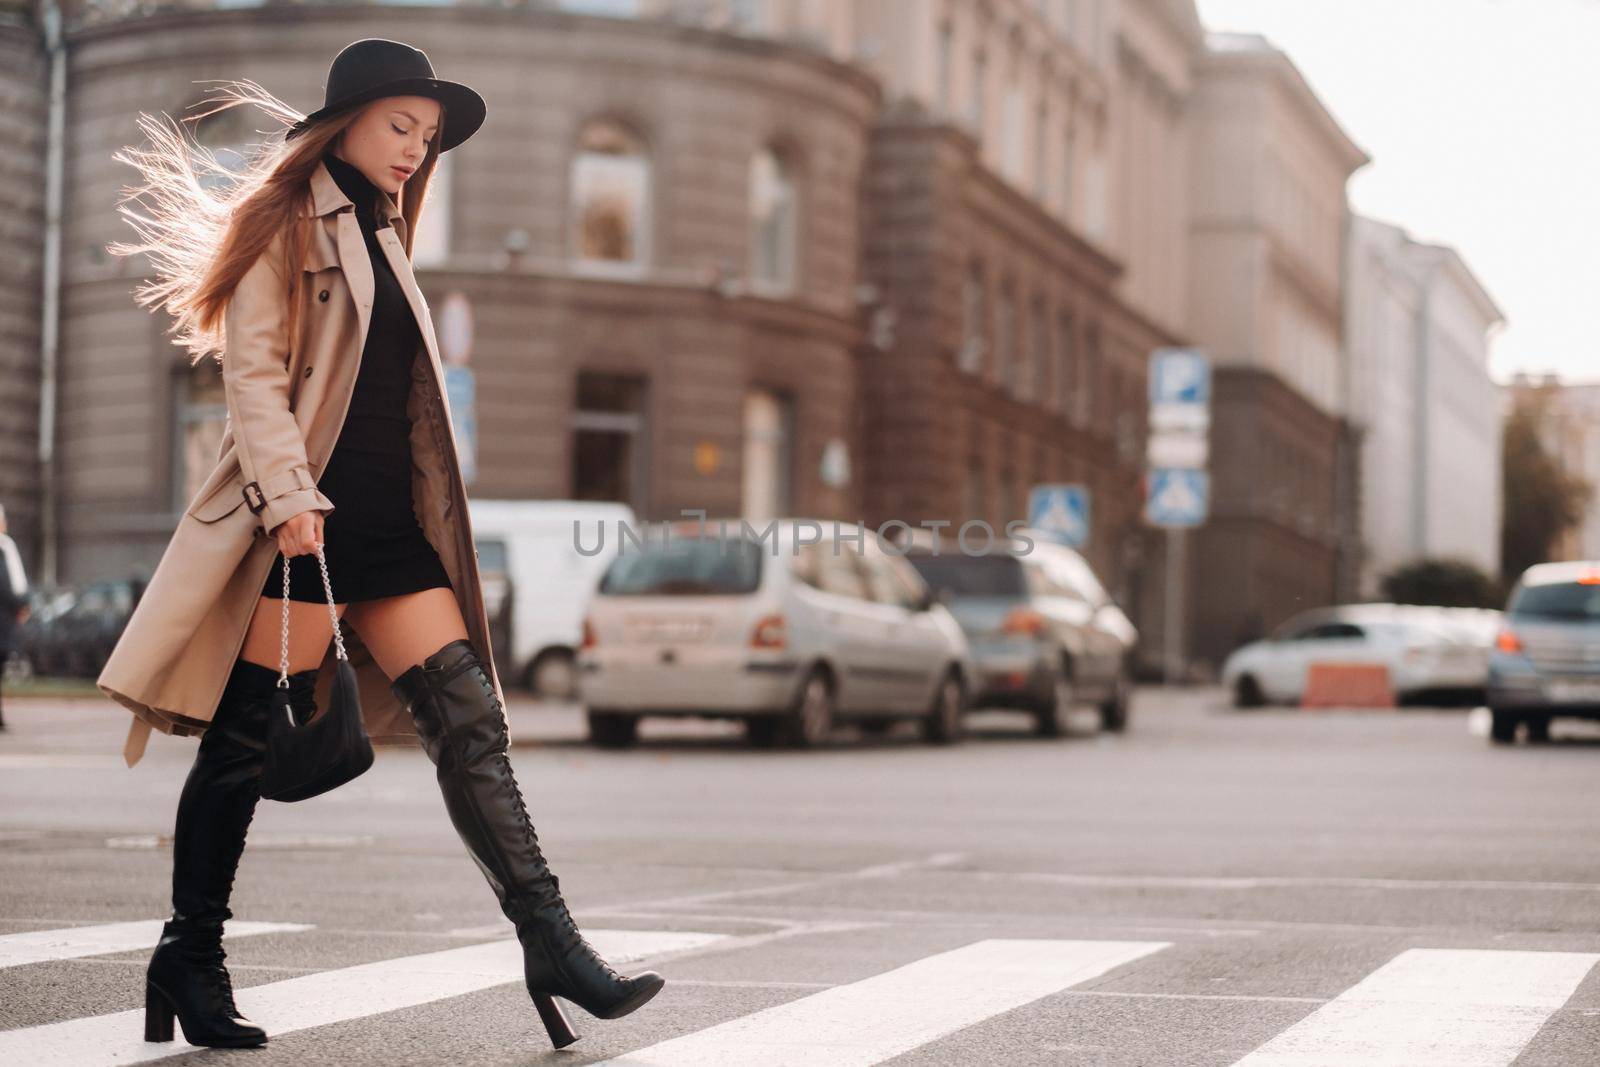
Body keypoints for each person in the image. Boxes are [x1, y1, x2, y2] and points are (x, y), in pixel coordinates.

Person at [96, 39, 662, 1050]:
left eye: (428, 136)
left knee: (470, 721)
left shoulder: (389, 233)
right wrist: (286, 493)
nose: (415, 147)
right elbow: (256, 377)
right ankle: (190, 953)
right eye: (401, 123)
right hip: (303, 521)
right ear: (345, 119)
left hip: (390, 526)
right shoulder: (282, 219)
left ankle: (552, 940)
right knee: (243, 744)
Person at [0, 502, 30, 731]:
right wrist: (20, 603)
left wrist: (22, 603)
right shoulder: (4, 548)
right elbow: (8, 584)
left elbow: (16, 582)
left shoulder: (6, 546)